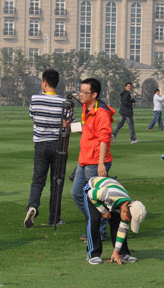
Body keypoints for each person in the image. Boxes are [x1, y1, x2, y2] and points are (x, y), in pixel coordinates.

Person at [71, 78, 115, 241]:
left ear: (94, 94)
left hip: (96, 161)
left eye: (84, 92)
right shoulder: (86, 107)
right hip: (84, 159)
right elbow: (88, 130)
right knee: (76, 193)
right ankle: (94, 221)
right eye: (80, 91)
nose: (80, 95)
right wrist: (71, 127)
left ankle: (99, 231)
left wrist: (101, 163)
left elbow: (104, 138)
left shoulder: (101, 112)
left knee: (95, 196)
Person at [24, 68, 68, 228]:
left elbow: (32, 116)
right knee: (56, 183)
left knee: (37, 181)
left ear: (44, 83)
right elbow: (71, 123)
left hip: (41, 145)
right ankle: (54, 218)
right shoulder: (64, 103)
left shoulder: (35, 99)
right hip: (58, 146)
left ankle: (32, 206)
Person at [84, 177, 147, 265]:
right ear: (125, 211)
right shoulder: (108, 194)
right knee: (94, 220)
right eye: (129, 220)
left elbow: (122, 229)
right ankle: (93, 254)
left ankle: (122, 253)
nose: (128, 222)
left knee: (117, 223)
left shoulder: (128, 207)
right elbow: (90, 194)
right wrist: (103, 210)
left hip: (111, 197)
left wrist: (116, 251)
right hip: (93, 190)